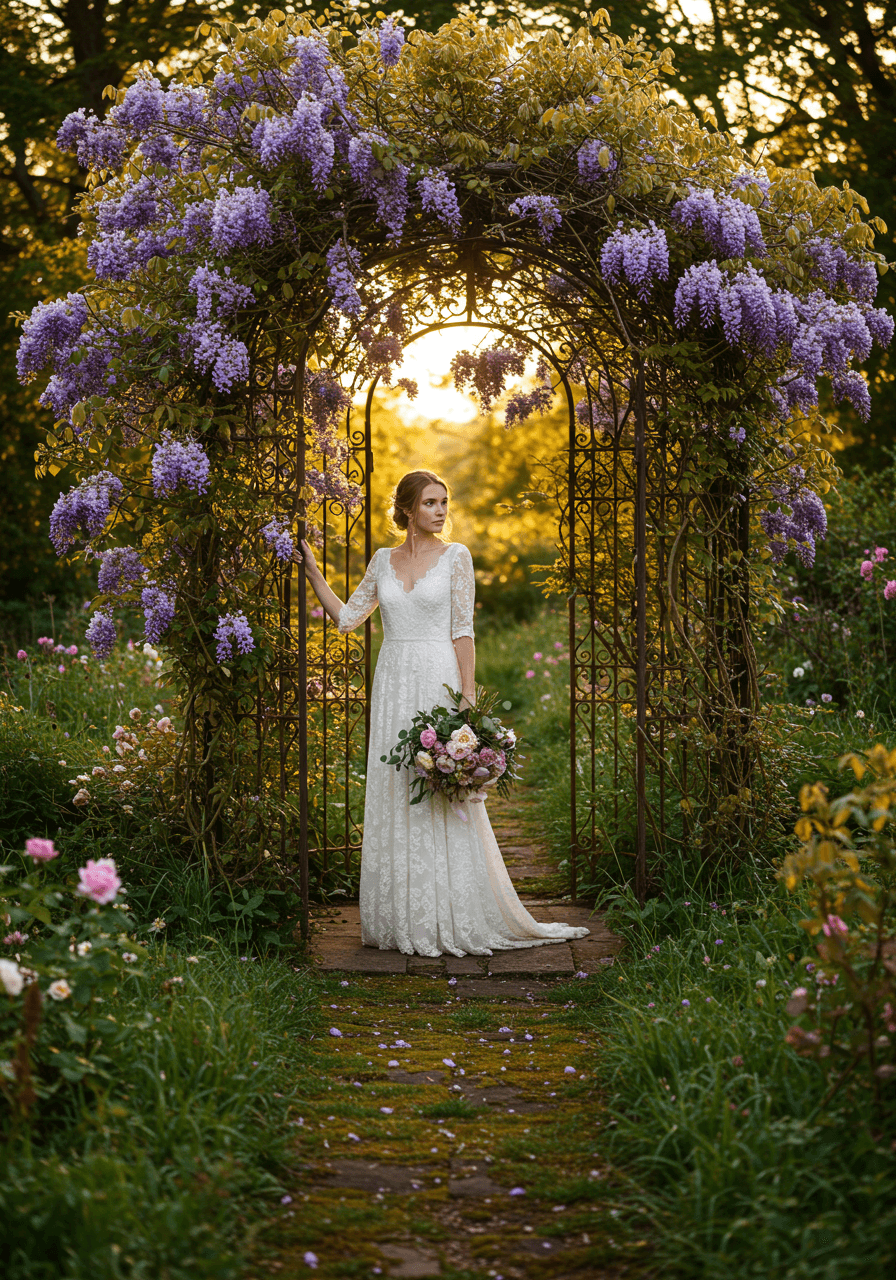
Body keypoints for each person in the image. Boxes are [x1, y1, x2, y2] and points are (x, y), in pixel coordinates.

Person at [297, 468, 590, 958]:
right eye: (431, 503)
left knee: (442, 790)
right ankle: (400, 917)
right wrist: (311, 571)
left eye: (444, 502)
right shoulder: (382, 561)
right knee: (397, 786)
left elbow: (463, 630)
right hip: (392, 682)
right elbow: (349, 619)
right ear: (409, 510)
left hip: (438, 679)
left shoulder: (457, 557)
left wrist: (468, 697)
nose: (440, 511)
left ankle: (449, 912)